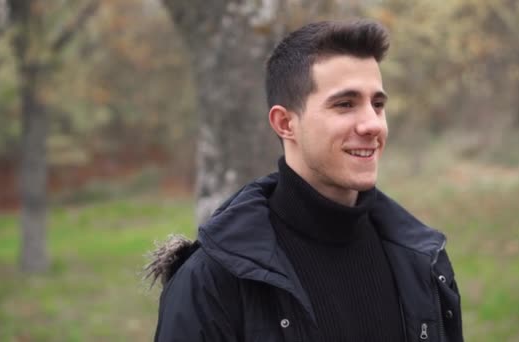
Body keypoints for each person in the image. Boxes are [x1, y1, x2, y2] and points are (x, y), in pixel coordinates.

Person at [148, 20, 463, 342]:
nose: (373, 125)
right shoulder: (214, 278)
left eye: (378, 104)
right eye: (345, 104)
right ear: (285, 123)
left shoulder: (423, 260)